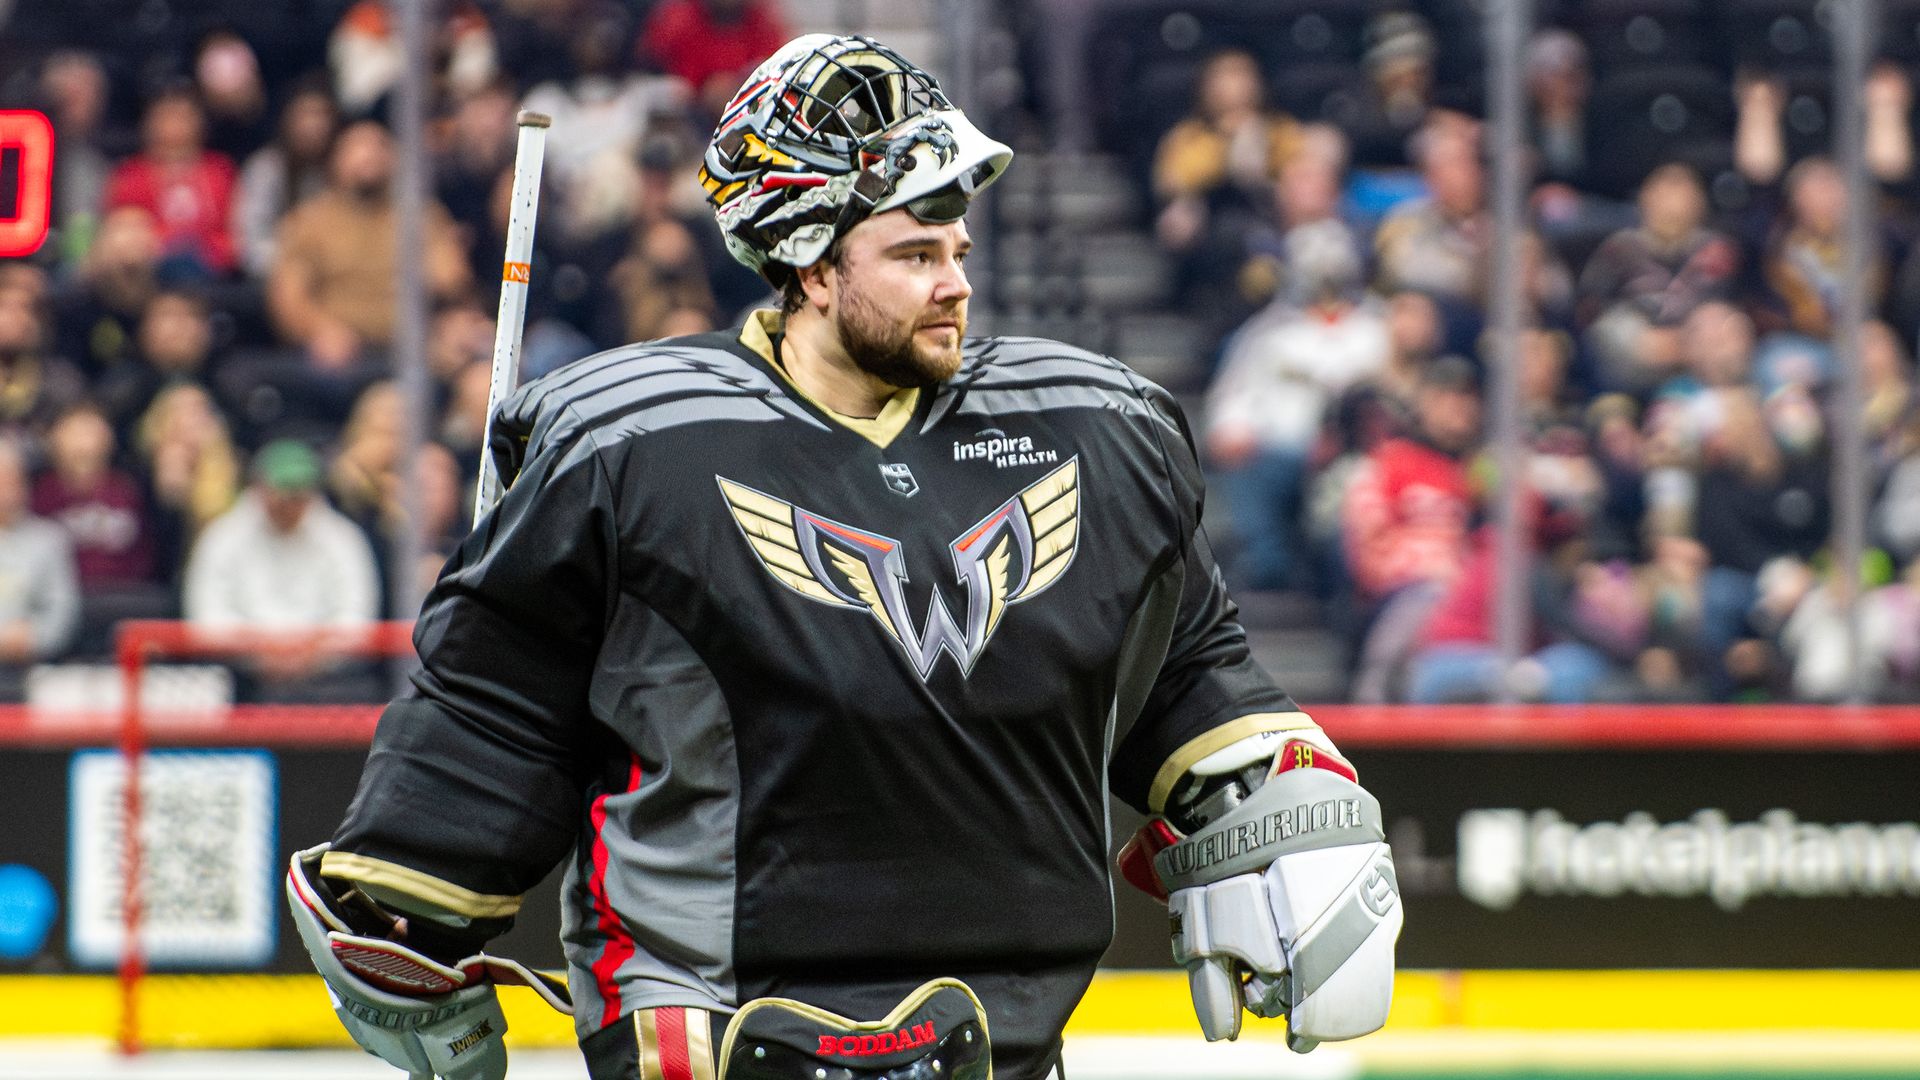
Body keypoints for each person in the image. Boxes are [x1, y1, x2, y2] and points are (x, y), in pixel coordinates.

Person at [286, 34, 1400, 1080]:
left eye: (956, 248)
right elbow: (495, 709)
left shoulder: (1095, 428)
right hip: (705, 1043)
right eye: (915, 253)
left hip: (1010, 1047)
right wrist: (408, 909)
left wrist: (1275, 802)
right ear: (811, 267)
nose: (956, 280)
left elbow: (1181, 663)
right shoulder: (628, 452)